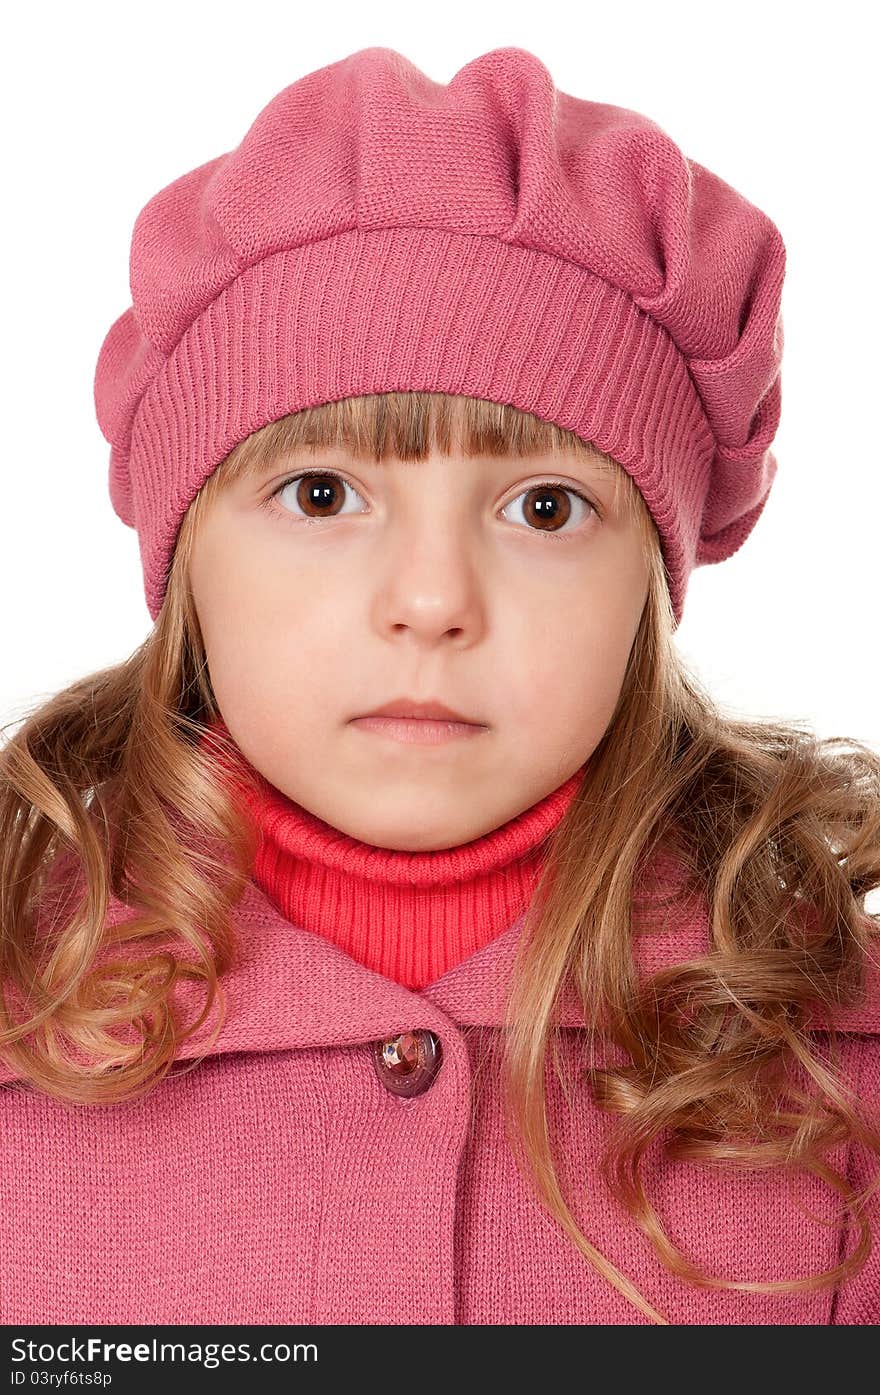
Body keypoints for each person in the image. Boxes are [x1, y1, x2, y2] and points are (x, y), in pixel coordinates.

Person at [1, 45, 878, 1328]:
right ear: (185, 556)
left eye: (542, 505)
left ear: (654, 575)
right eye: (321, 494)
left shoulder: (834, 1083)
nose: (431, 599)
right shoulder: (27, 1048)